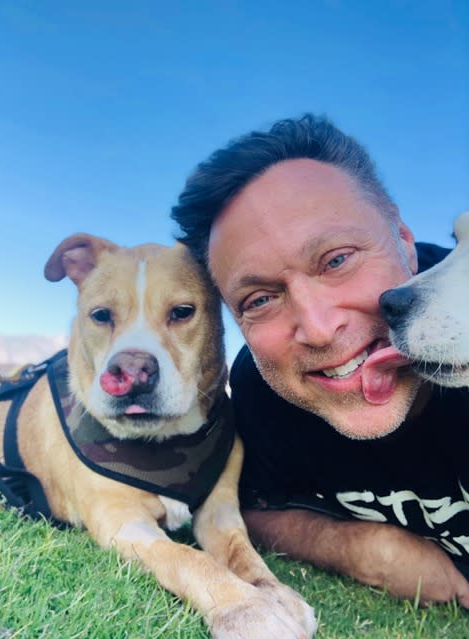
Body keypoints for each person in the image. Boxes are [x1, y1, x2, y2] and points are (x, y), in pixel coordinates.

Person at [171, 113, 469, 607]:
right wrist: (360, 549)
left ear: (405, 241)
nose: (317, 327)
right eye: (259, 300)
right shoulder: (263, 390)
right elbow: (252, 509)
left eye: (337, 259)